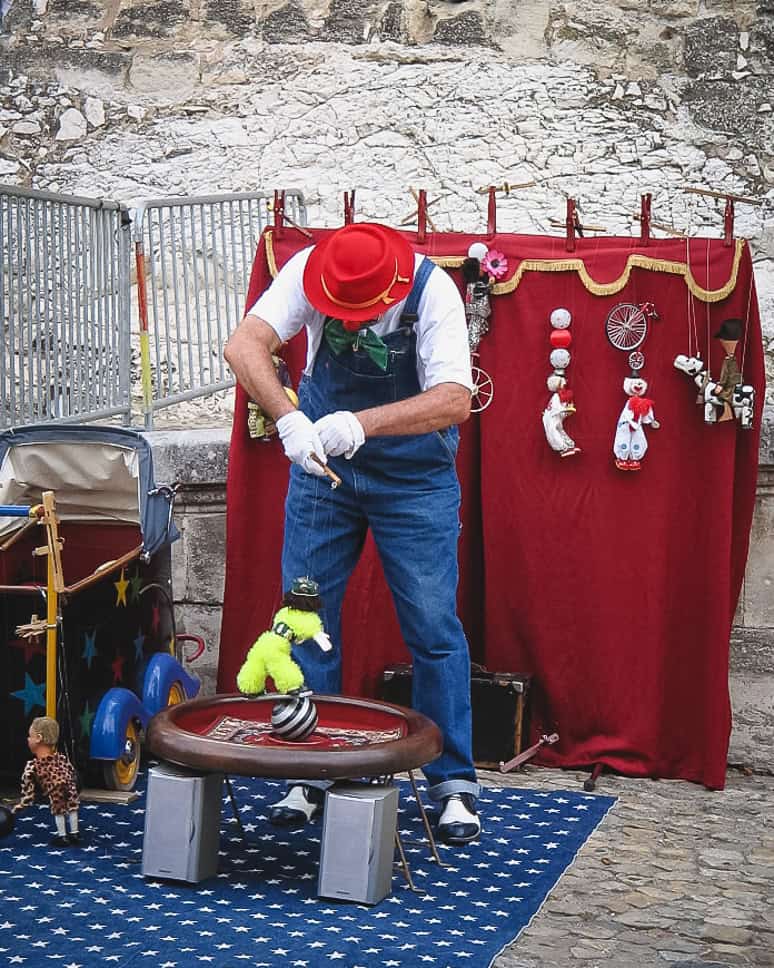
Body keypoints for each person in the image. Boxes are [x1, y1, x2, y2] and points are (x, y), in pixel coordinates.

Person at [225, 221, 480, 845]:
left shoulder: (433, 290)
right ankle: (310, 771)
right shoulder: (312, 269)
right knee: (305, 615)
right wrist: (288, 420)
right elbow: (243, 345)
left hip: (414, 480)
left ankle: (453, 783)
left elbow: (454, 399)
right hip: (320, 468)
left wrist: (359, 424)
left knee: (431, 625)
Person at [12, 716, 80, 847]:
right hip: (70, 784)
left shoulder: (33, 765)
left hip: (56, 788)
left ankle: (63, 836)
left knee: (58, 810)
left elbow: (27, 787)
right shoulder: (61, 757)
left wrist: (21, 805)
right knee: (72, 807)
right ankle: (75, 833)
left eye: (30, 736)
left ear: (38, 738)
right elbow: (71, 771)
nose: (28, 739)